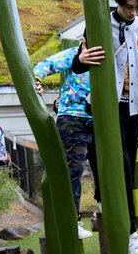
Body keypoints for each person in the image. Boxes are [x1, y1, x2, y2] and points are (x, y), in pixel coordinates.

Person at [72, 0, 138, 254]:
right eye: (128, 7)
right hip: (103, 107)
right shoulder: (100, 23)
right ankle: (130, 232)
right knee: (116, 167)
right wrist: (81, 59)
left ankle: (112, 210)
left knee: (123, 169)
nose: (133, 12)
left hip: (134, 109)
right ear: (118, 2)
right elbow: (79, 65)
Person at [34, 43, 97, 240]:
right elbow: (46, 64)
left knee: (105, 168)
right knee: (74, 168)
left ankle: (103, 210)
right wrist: (36, 80)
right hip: (73, 117)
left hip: (100, 117)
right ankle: (73, 219)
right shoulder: (75, 54)